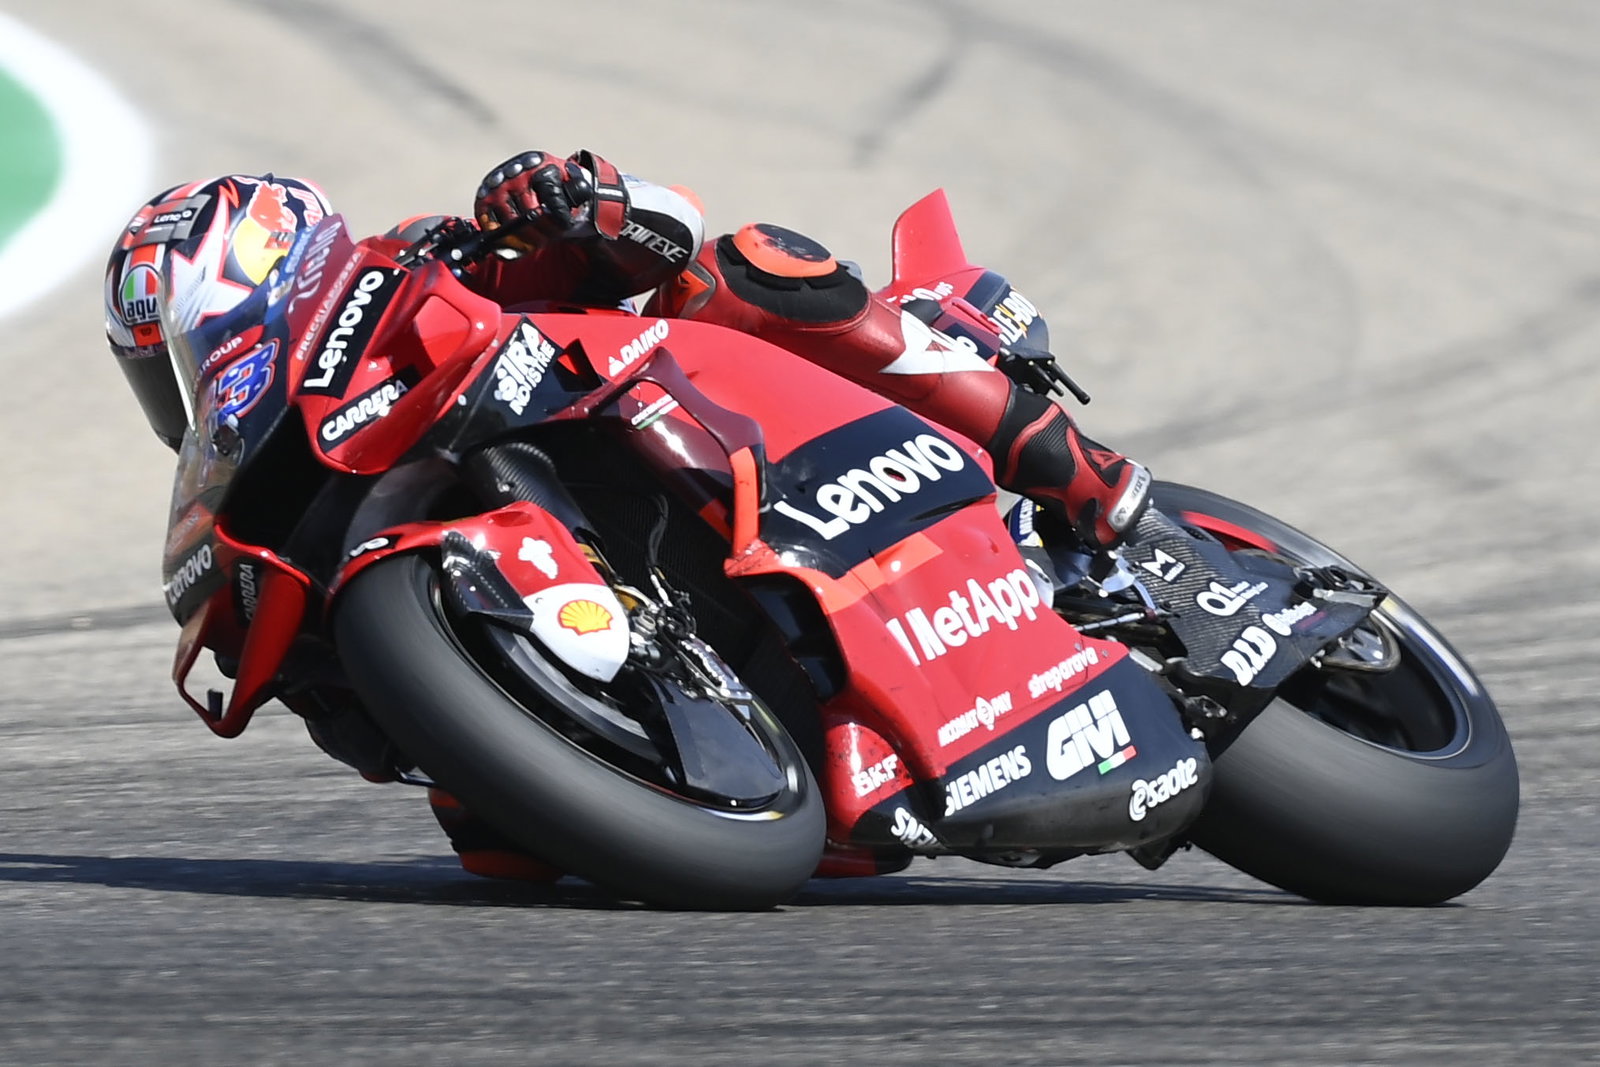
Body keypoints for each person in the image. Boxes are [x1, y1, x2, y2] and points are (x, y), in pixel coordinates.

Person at [104, 151, 1152, 880]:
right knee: (496, 847)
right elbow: (367, 735)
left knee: (745, 266)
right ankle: (754, 732)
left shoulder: (421, 265)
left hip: (743, 421)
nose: (193, 388)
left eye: (192, 349)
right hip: (661, 631)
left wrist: (572, 198)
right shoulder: (277, 493)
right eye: (168, 373)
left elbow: (662, 230)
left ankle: (1082, 476)